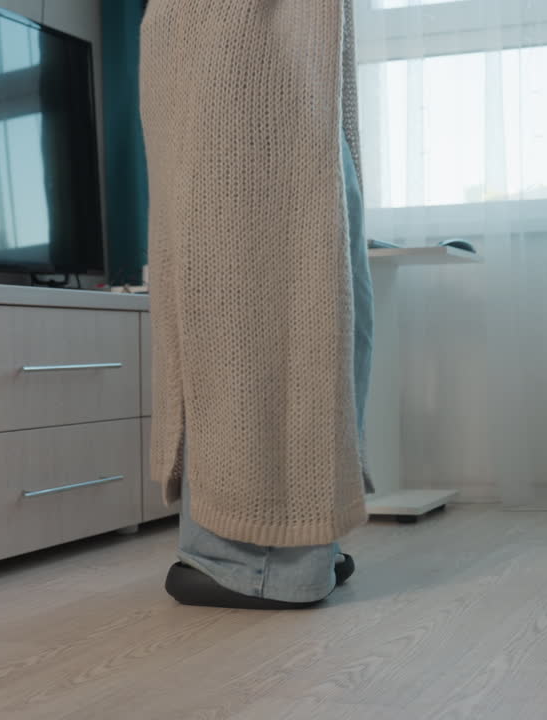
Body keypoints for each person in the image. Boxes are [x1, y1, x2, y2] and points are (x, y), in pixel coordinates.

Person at [139, 0, 373, 609]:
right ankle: (290, 547)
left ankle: (260, 561)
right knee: (299, 276)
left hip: (248, 35)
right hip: (266, 35)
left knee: (263, 280)